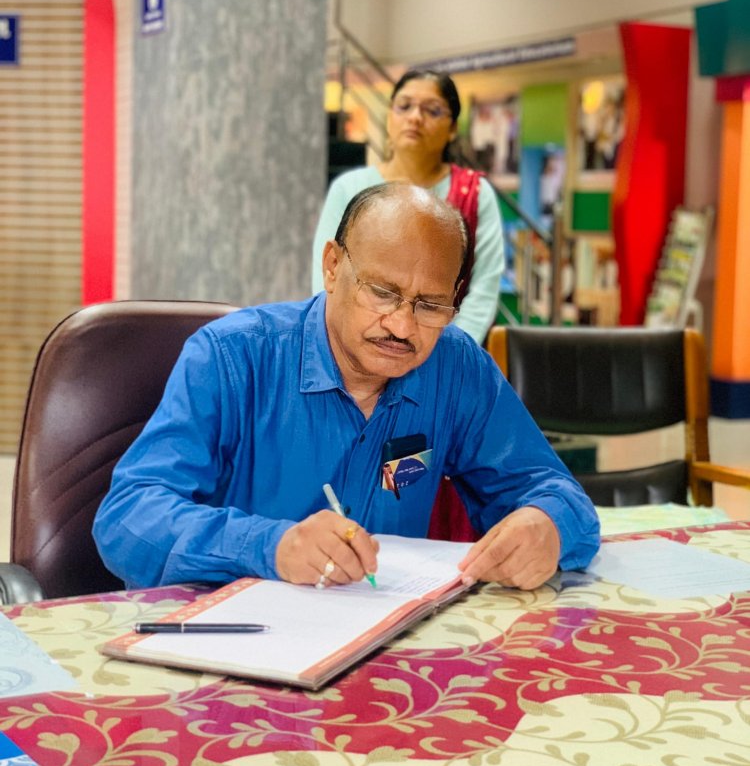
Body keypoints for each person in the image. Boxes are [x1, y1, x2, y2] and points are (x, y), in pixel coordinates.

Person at [93, 184, 600, 593]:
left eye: (430, 305)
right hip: (231, 652)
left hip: (383, 663)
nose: (401, 325)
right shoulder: (230, 358)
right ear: (333, 266)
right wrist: (270, 546)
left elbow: (556, 493)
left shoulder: (455, 366)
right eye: (382, 293)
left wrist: (546, 525)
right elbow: (128, 516)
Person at [312, 69, 505, 345]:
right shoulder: (350, 186)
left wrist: (442, 353)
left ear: (452, 128)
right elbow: (326, 280)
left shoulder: (474, 193)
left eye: (432, 110)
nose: (415, 117)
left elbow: (484, 289)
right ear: (390, 117)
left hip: (445, 354)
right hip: (358, 349)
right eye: (404, 106)